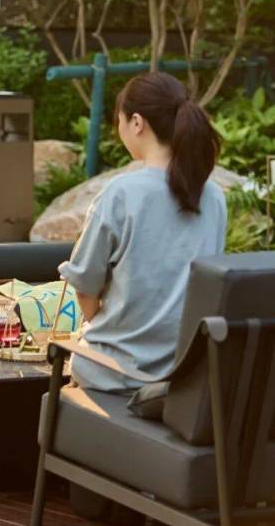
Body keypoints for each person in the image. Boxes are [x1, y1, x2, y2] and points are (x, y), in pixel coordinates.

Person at [58, 71, 227, 394]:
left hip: (119, 374)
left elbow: (85, 287)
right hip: (184, 376)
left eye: (119, 121)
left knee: (73, 357)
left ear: (137, 123)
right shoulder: (214, 196)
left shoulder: (122, 193)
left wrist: (100, 326)